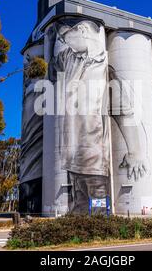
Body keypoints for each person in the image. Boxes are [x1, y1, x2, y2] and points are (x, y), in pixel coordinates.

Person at [48, 19, 110, 214]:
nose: (65, 42)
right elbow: (51, 70)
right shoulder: (69, 57)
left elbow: (125, 111)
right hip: (73, 158)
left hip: (95, 161)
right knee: (80, 211)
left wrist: (134, 153)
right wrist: (50, 41)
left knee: (99, 210)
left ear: (82, 30)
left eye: (66, 37)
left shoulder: (106, 66)